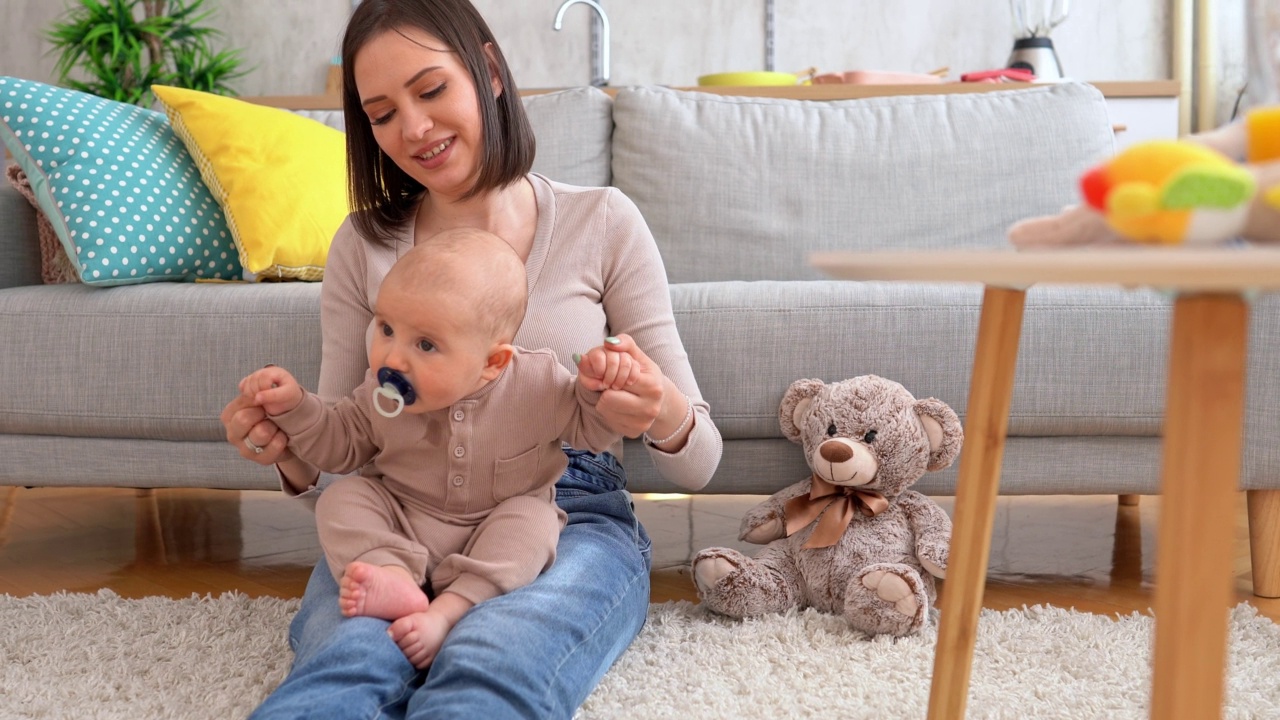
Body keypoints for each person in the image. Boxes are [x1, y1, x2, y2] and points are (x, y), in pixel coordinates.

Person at [218, 0, 723, 717]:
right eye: (382, 112)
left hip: (560, 509)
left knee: (492, 661)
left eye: (430, 90)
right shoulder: (362, 243)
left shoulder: (603, 221)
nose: (414, 129)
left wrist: (657, 406)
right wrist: (286, 443)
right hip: (397, 504)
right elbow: (342, 450)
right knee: (347, 665)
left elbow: (700, 460)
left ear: (487, 71)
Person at [238, 228, 641, 669]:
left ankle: (450, 611)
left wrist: (604, 389)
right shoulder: (381, 392)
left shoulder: (538, 383)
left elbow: (591, 430)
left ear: (492, 363)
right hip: (404, 520)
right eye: (387, 329)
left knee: (534, 521)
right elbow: (340, 446)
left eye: (426, 344)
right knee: (345, 498)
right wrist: (296, 408)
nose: (393, 358)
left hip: (495, 523)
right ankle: (393, 579)